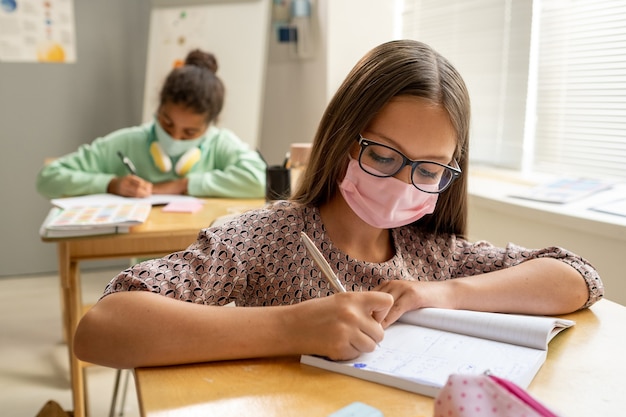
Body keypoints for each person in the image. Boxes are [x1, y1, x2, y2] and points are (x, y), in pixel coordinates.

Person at [74, 40, 603, 369]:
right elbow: (104, 328)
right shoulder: (265, 237)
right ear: (344, 140)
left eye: (429, 168)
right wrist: (289, 328)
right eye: (382, 154)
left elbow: (579, 277)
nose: (403, 181)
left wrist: (439, 292)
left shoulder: (434, 253)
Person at [36, 49, 266, 199]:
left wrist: (184, 184)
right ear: (158, 109)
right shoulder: (128, 142)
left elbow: (264, 180)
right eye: (167, 124)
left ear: (209, 126)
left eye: (190, 133)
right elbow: (48, 178)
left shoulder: (219, 142)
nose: (175, 138)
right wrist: (110, 183)